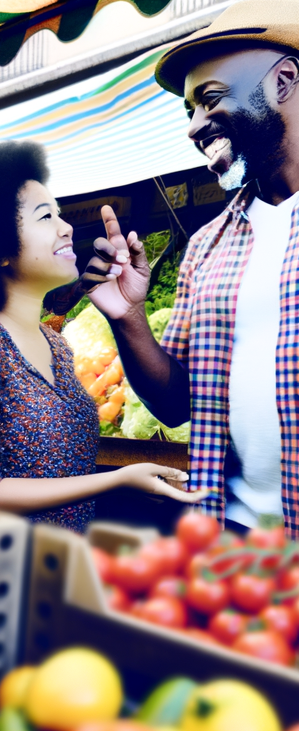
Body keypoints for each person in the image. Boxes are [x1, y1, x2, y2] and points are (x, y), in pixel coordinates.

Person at [0, 142, 204, 563]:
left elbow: (57, 470)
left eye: (60, 214)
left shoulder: (57, 346)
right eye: (46, 217)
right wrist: (115, 481)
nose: (66, 227)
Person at [76, 1, 299, 536]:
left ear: (285, 83)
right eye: (189, 110)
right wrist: (128, 317)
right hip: (235, 538)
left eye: (211, 99)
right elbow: (177, 405)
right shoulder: (207, 245)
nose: (196, 126)